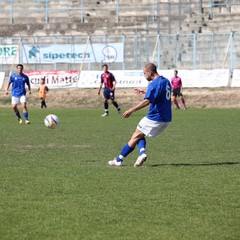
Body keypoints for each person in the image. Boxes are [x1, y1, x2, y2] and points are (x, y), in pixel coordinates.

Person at [108, 63, 172, 167]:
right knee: (140, 133)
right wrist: (145, 92)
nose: (144, 75)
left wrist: (131, 110)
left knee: (135, 136)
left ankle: (119, 160)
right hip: (167, 119)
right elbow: (159, 94)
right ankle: (140, 154)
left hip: (155, 117)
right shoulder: (165, 81)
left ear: (150, 72)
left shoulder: (153, 84)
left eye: (144, 73)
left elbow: (147, 101)